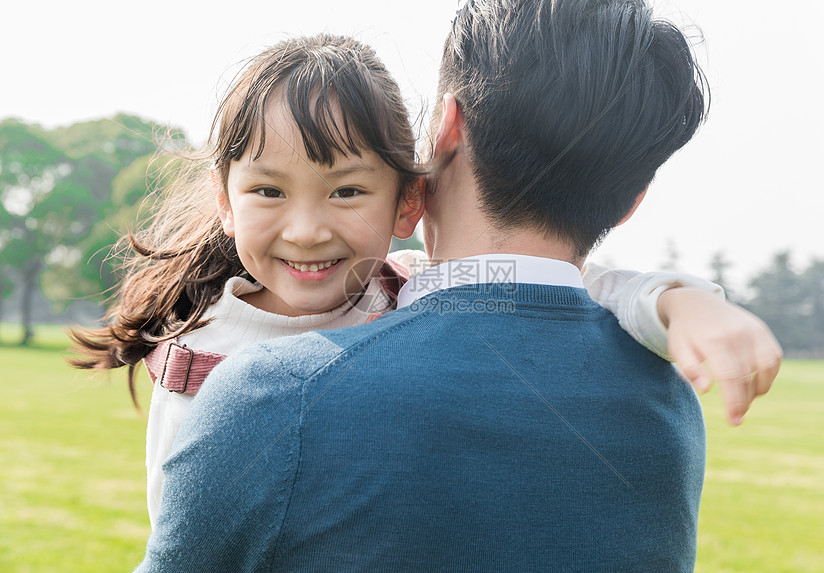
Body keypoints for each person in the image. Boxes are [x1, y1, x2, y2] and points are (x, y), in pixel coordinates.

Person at [123, 7, 774, 566]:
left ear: (447, 128)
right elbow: (546, 287)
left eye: (345, 189)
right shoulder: (668, 412)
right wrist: (682, 298)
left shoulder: (267, 396)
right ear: (631, 201)